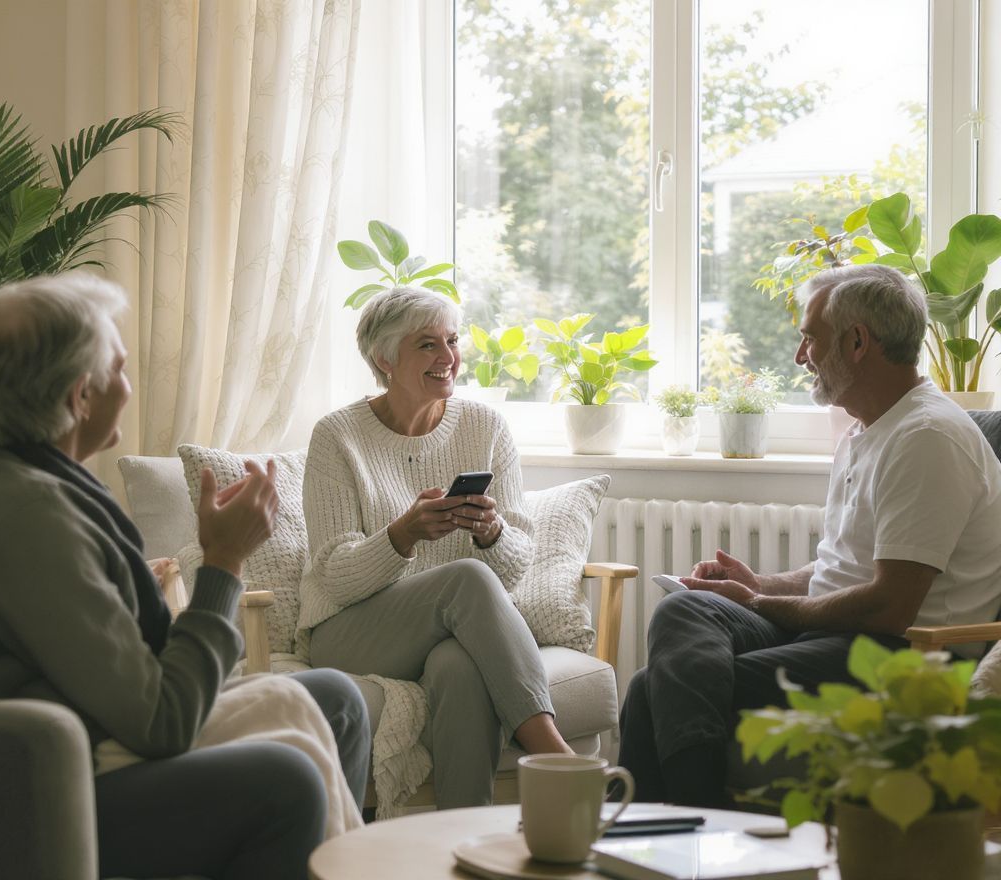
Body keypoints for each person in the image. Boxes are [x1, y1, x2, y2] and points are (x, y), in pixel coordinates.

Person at [0, 273, 369, 880]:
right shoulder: (21, 518)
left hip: (85, 738)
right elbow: (162, 721)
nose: (130, 388)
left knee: (337, 700)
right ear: (81, 396)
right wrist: (223, 562)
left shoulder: (17, 481)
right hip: (29, 790)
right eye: (122, 369)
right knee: (286, 779)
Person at [618, 263, 1001, 807]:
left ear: (857, 342)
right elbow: (845, 568)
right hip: (841, 636)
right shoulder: (865, 430)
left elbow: (890, 606)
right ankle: (668, 835)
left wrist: (758, 603)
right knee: (685, 610)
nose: (801, 356)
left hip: (905, 656)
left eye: (809, 338)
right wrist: (761, 585)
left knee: (649, 689)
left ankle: (690, 822)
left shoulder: (927, 438)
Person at [298, 285, 571, 810]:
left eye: (451, 340)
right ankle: (554, 756)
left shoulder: (485, 426)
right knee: (465, 579)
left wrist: (490, 532)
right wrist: (403, 534)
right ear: (384, 358)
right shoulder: (337, 436)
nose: (448, 358)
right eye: (427, 344)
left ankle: (458, 842)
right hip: (350, 630)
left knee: (459, 667)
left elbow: (514, 570)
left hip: (448, 633)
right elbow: (334, 575)